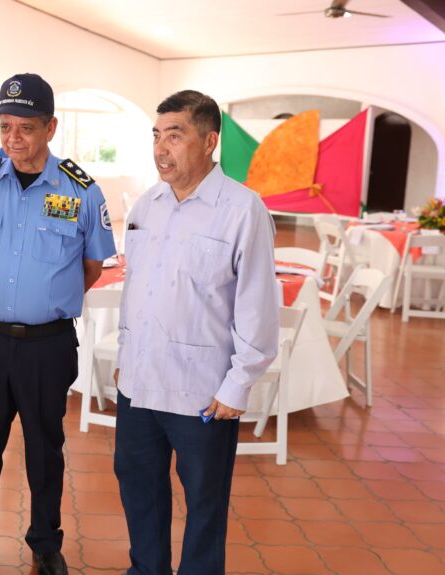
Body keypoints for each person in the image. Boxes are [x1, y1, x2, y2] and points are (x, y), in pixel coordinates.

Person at [0, 73, 116, 575]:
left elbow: (92, 267)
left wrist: (45, 300)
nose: (13, 139)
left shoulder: (81, 192)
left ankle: (45, 542)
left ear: (50, 128)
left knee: (45, 449)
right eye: (5, 127)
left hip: (47, 344)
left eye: (26, 128)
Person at [113, 90, 279, 575]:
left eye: (175, 136)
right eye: (156, 136)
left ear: (209, 141)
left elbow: (257, 305)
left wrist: (238, 384)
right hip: (139, 383)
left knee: (204, 503)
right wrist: (125, 353)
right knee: (139, 489)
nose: (161, 149)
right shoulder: (147, 205)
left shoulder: (243, 209)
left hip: (203, 393)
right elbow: (136, 290)